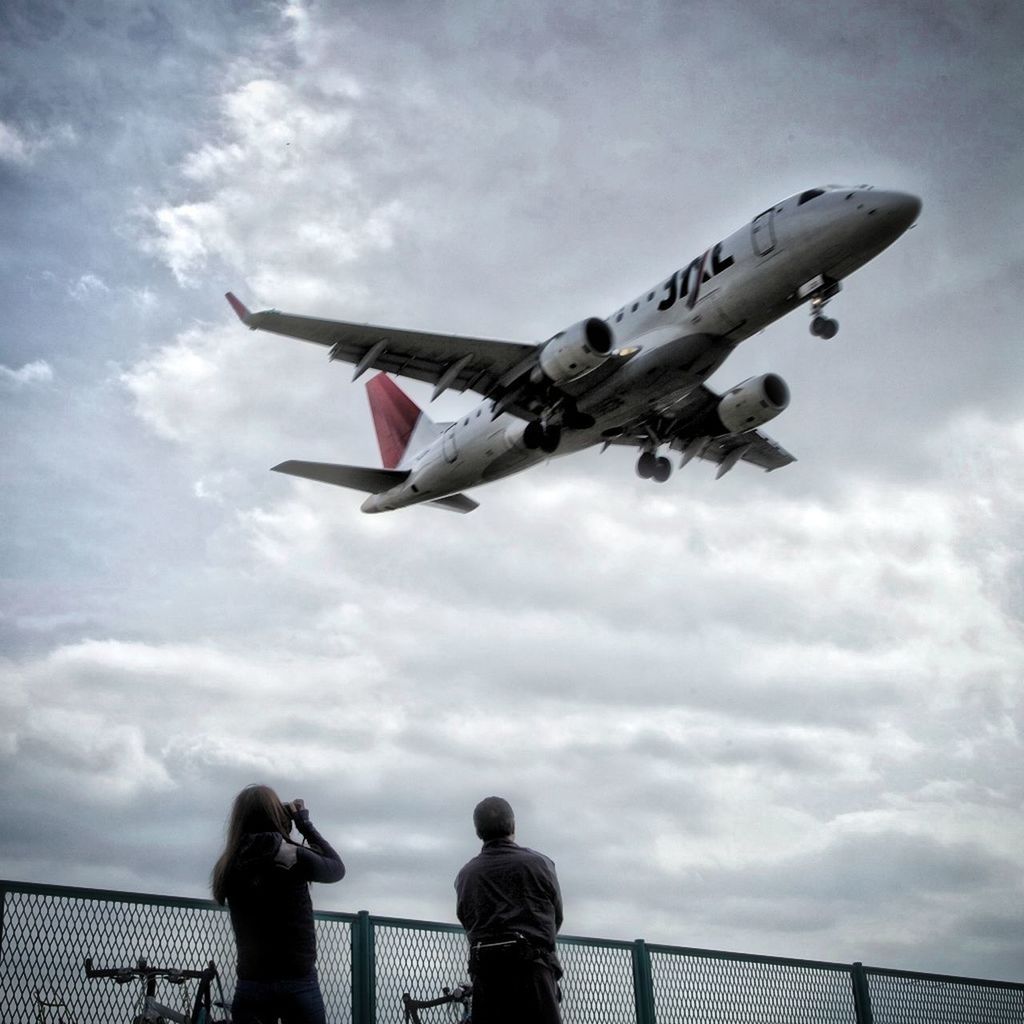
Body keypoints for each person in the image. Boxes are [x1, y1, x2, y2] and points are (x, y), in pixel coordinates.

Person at [211, 784, 345, 1024]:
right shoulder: (290, 855)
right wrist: (304, 824)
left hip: (251, 982)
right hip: (298, 981)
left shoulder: (229, 863)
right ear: (274, 815)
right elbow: (336, 869)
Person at [454, 796, 563, 1024]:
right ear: (513, 825)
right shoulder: (540, 865)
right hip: (534, 975)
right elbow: (556, 918)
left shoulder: (466, 876)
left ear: (478, 831)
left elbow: (467, 921)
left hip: (488, 980)